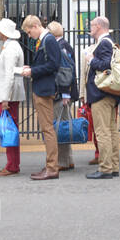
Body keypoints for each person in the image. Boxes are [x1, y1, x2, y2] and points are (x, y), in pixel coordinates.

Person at [21, 15, 62, 180]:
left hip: (44, 90)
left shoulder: (49, 40)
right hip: (41, 88)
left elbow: (54, 64)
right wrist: (31, 67)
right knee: (46, 129)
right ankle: (50, 165)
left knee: (48, 129)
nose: (29, 35)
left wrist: (32, 71)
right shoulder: (45, 40)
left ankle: (52, 168)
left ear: (36, 26)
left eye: (30, 32)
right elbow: (47, 63)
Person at [85, 16, 120, 180]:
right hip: (109, 94)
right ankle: (113, 166)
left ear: (99, 26)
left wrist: (91, 60)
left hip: (101, 94)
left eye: (92, 25)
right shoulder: (110, 42)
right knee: (111, 131)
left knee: (103, 132)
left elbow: (105, 65)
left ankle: (105, 168)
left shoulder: (104, 43)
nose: (90, 28)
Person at [0, 18, 25, 177]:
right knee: (10, 129)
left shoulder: (11, 48)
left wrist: (5, 98)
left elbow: (9, 75)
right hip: (10, 94)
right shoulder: (11, 46)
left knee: (9, 130)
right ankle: (12, 164)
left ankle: (12, 165)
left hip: (8, 96)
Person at [49, 20, 78, 172]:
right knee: (64, 126)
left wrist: (65, 93)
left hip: (63, 94)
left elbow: (65, 71)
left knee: (60, 127)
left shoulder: (61, 47)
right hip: (65, 93)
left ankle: (63, 161)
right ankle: (69, 159)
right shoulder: (64, 45)